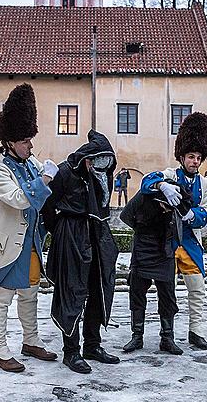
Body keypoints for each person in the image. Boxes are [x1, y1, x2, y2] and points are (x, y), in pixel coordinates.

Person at [0, 83, 58, 373]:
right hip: (8, 242)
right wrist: (45, 181)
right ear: (11, 141)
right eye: (26, 140)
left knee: (30, 294)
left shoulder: (29, 161)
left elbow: (45, 179)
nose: (31, 145)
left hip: (32, 242)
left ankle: (31, 340)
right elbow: (17, 200)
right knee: (1, 297)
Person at [42, 130, 120, 374]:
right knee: (72, 290)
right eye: (98, 162)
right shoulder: (65, 172)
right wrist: (62, 231)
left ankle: (92, 345)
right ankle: (71, 351)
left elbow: (102, 205)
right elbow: (47, 205)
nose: (103, 168)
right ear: (88, 159)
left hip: (96, 233)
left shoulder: (101, 175)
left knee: (97, 288)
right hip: (72, 233)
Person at [141, 112, 207, 350]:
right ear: (182, 156)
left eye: (198, 157)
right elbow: (146, 183)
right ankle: (167, 335)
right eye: (191, 156)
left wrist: (194, 216)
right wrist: (162, 185)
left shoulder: (204, 183)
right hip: (169, 242)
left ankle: (196, 332)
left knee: (197, 289)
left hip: (191, 242)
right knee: (167, 292)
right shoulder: (171, 174)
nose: (194, 161)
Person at [120, 185, 194, 355]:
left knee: (168, 294)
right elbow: (125, 216)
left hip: (165, 250)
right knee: (137, 293)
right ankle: (137, 336)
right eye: (165, 205)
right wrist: (141, 229)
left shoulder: (176, 201)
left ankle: (167, 338)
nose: (167, 209)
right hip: (143, 249)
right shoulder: (144, 196)